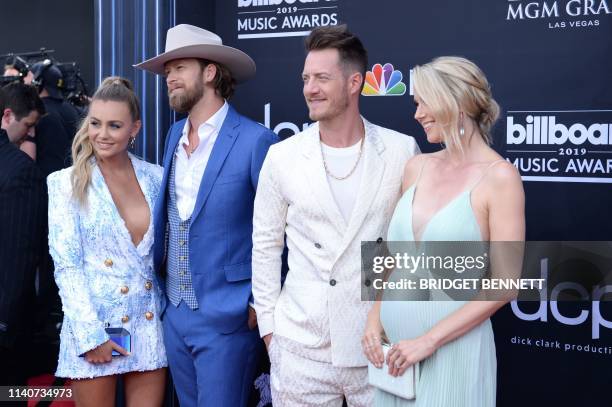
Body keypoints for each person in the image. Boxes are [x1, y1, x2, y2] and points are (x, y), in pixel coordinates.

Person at [252, 25, 419, 406]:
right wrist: (271, 334)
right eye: (306, 78)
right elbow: (264, 246)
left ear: (354, 82)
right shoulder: (283, 156)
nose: (310, 88)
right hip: (300, 346)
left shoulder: (400, 150)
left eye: (322, 78)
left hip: (378, 342)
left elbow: (407, 245)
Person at [362, 56, 525, 407]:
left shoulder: (500, 177)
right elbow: (388, 254)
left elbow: (506, 283)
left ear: (455, 102)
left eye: (424, 102)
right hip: (396, 360)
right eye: (415, 103)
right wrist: (373, 319)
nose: (417, 114)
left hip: (455, 353)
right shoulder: (416, 167)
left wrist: (429, 341)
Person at [134, 24, 279, 407]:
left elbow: (281, 230)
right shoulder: (173, 136)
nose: (170, 78)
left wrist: (255, 304)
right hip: (175, 316)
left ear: (210, 71)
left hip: (229, 319)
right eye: (167, 71)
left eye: (179, 67)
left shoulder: (255, 141)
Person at [47, 77, 167, 407]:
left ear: (135, 129)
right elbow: (67, 267)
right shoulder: (65, 184)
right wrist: (90, 336)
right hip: (96, 326)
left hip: (146, 326)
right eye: (95, 123)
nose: (102, 134)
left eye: (115, 125)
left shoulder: (156, 177)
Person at [0, 82, 46, 387]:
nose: (30, 134)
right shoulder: (22, 170)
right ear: (7, 116)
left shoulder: (19, 168)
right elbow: (21, 257)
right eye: (28, 125)